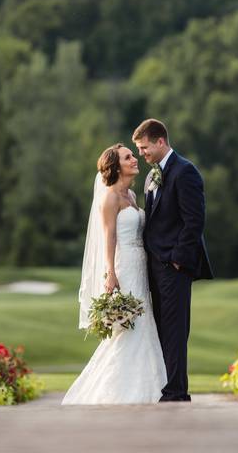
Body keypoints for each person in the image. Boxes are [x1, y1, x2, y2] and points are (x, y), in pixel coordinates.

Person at [62, 144, 166, 404]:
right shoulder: (109, 197)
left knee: (144, 321)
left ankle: (152, 387)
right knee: (130, 326)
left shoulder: (131, 194)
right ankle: (116, 390)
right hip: (124, 266)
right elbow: (108, 238)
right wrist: (110, 273)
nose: (134, 159)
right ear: (116, 166)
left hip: (141, 264)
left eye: (133, 155)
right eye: (128, 157)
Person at [134, 118, 213, 402]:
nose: (142, 153)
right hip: (154, 266)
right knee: (160, 329)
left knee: (175, 330)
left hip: (174, 266)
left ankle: (177, 391)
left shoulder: (185, 171)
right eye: (139, 149)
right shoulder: (151, 175)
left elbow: (195, 221)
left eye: (144, 148)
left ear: (160, 141)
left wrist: (178, 260)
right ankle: (167, 386)